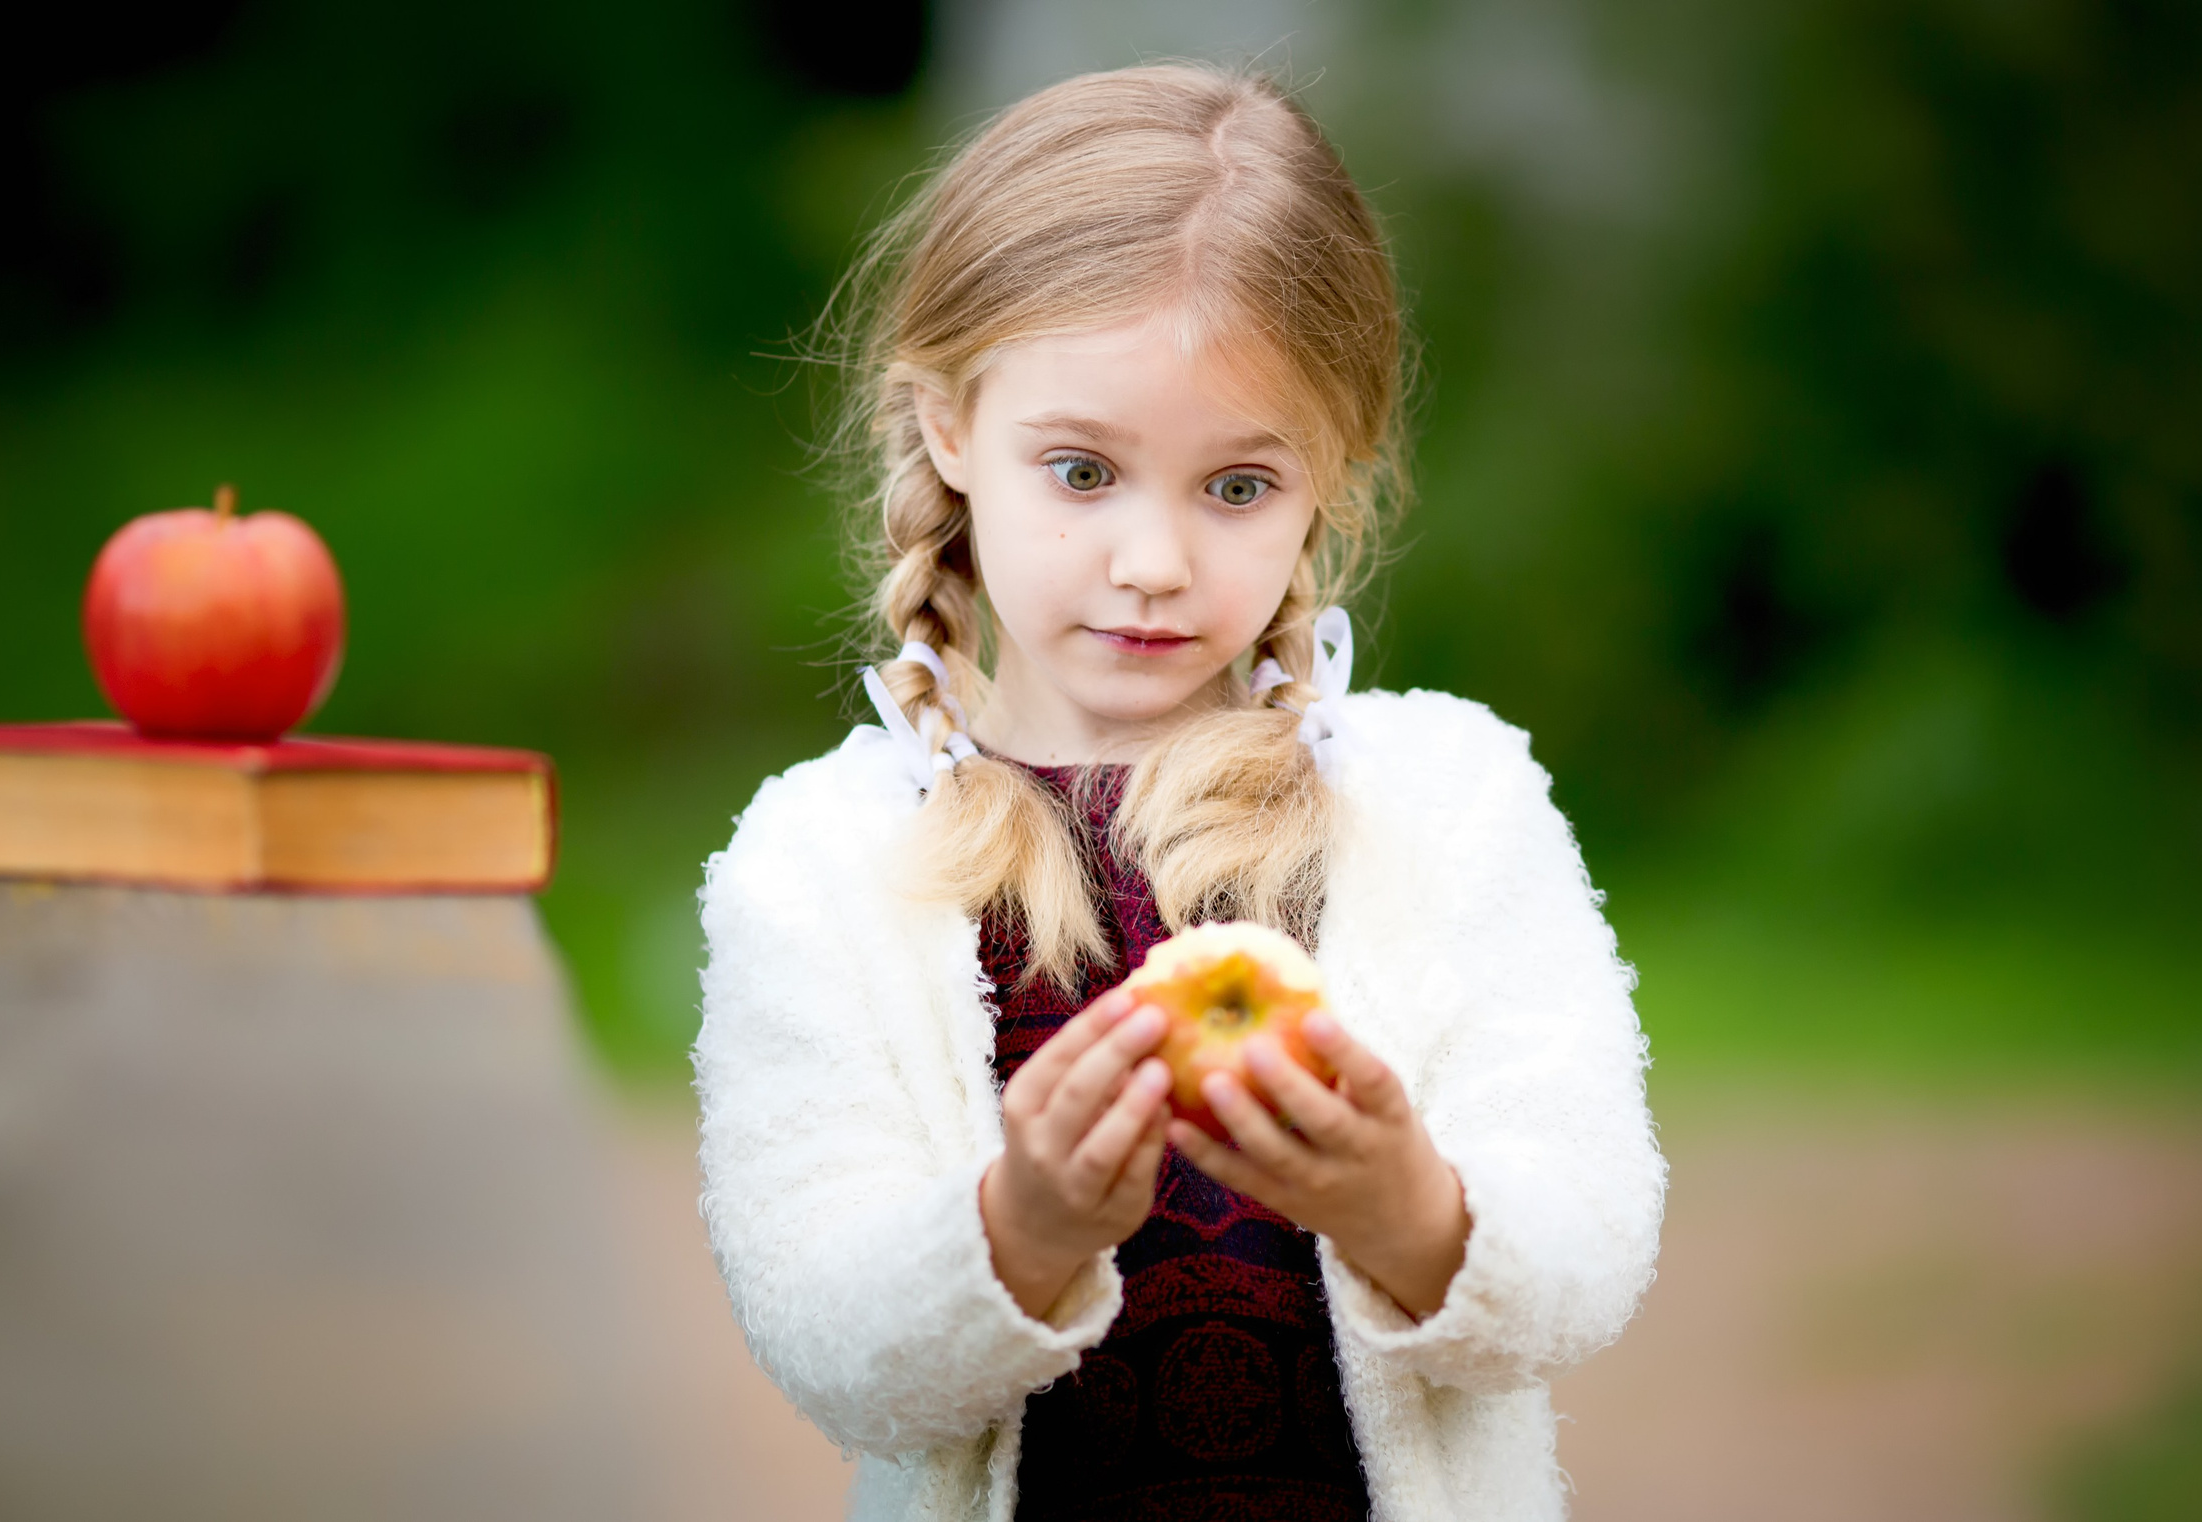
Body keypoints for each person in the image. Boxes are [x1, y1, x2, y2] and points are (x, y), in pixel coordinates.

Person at [695, 63, 1665, 1522]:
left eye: (1235, 487)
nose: (1154, 560)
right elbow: (827, 1338)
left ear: (1330, 472)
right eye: (1083, 470)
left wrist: (1403, 1202)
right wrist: (1016, 1231)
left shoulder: (1447, 804)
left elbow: (1589, 1241)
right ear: (952, 426)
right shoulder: (825, 861)